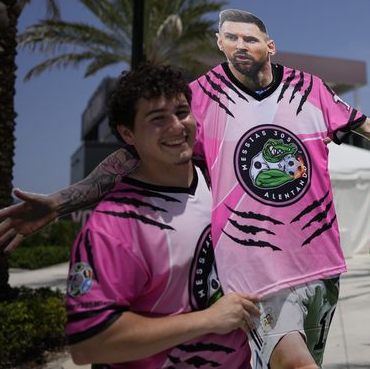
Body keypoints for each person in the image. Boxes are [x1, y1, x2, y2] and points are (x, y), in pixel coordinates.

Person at [0, 9, 370, 369]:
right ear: (218, 43)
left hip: (320, 264)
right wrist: (63, 200)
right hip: (257, 270)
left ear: (270, 46)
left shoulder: (309, 88)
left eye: (249, 38)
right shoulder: (198, 100)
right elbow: (130, 157)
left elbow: (366, 127)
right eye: (229, 37)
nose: (239, 44)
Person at [65, 63, 259, 367]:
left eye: (182, 112)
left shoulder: (218, 176)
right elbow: (89, 343)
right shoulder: (114, 226)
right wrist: (207, 320)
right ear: (127, 133)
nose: (176, 127)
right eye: (157, 119)